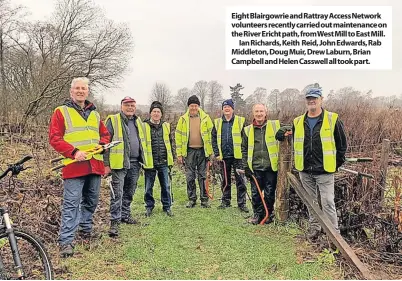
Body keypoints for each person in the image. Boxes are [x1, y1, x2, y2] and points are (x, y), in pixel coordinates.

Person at [49, 77, 111, 257]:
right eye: (77, 88)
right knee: (71, 204)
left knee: (92, 200)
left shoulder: (95, 113)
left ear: (87, 92)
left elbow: (105, 135)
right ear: (71, 92)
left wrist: (102, 144)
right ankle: (66, 241)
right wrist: (74, 152)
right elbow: (55, 138)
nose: (80, 91)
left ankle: (85, 230)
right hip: (74, 167)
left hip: (94, 166)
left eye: (83, 88)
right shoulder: (61, 112)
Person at [276, 87, 347, 239]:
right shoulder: (298, 121)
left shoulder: (332, 119)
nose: (311, 101)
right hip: (305, 170)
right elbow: (288, 133)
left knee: (328, 202)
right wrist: (281, 132)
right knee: (311, 201)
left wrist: (336, 165)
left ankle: (334, 234)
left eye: (314, 98)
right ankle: (315, 228)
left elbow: (342, 146)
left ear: (321, 99)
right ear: (306, 101)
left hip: (325, 170)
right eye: (309, 98)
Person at [103, 96, 147, 238]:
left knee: (130, 191)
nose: (130, 108)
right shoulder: (113, 120)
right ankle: (114, 222)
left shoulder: (138, 121)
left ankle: (125, 215)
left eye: (132, 105)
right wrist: (106, 164)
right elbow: (105, 143)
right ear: (121, 106)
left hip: (134, 163)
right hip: (119, 164)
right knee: (117, 193)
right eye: (127, 105)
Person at [241, 103, 280, 225]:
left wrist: (284, 130)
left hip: (270, 166)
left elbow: (289, 129)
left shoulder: (275, 125)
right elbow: (244, 148)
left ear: (265, 112)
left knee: (269, 193)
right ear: (253, 113)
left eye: (261, 111)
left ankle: (268, 215)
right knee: (256, 193)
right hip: (255, 167)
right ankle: (257, 215)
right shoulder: (247, 130)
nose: (259, 114)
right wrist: (246, 166)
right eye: (257, 111)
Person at [175, 95, 214, 208]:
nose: (193, 108)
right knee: (190, 176)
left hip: (203, 151)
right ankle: (192, 199)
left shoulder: (206, 118)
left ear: (198, 106)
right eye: (191, 105)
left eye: (195, 105)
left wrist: (211, 152)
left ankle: (204, 200)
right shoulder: (182, 120)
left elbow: (212, 136)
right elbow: (178, 137)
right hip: (189, 152)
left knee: (203, 176)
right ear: (188, 106)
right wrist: (179, 154)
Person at [212, 99, 248, 212]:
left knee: (240, 180)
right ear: (222, 109)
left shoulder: (241, 121)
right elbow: (213, 138)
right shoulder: (217, 122)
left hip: (238, 156)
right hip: (223, 156)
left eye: (229, 107)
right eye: (224, 107)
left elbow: (246, 138)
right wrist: (217, 153)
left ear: (232, 109)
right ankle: (225, 201)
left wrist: (244, 154)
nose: (226, 109)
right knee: (225, 180)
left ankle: (241, 203)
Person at [142, 101, 175, 217]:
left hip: (163, 161)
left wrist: (172, 158)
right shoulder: (144, 126)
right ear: (150, 113)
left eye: (158, 112)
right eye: (154, 111)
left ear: (161, 114)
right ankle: (149, 207)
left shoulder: (166, 126)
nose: (156, 113)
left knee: (165, 186)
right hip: (149, 161)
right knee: (148, 187)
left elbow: (170, 142)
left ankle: (167, 207)